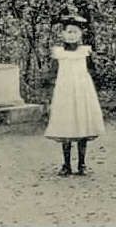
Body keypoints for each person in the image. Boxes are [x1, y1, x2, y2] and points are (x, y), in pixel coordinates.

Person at [44, 12, 105, 176]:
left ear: (81, 34)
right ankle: (66, 164)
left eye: (75, 32)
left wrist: (89, 80)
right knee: (66, 126)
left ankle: (82, 164)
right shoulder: (58, 53)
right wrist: (49, 94)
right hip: (65, 92)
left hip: (82, 92)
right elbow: (52, 74)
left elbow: (93, 72)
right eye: (68, 32)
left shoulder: (85, 52)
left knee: (82, 124)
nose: (71, 36)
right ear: (62, 34)